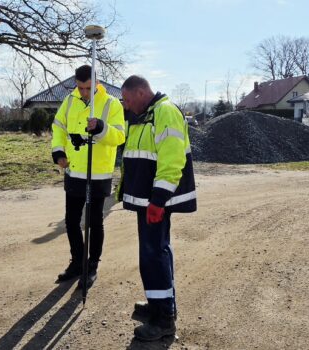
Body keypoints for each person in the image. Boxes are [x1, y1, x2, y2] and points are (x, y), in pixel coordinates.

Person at [117, 75, 197, 341]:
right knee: (152, 254)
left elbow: (172, 159)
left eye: (128, 100)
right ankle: (158, 305)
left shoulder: (164, 112)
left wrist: (159, 199)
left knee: (154, 256)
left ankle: (164, 320)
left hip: (155, 202)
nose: (127, 106)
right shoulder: (144, 115)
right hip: (147, 201)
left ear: (141, 92)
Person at [51, 65, 125, 289]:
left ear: (97, 83)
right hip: (74, 172)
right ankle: (77, 262)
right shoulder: (70, 101)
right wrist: (58, 151)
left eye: (88, 88)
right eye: (80, 87)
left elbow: (120, 136)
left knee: (94, 222)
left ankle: (92, 265)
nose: (84, 92)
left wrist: (101, 128)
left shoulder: (112, 103)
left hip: (98, 173)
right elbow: (58, 128)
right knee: (72, 221)